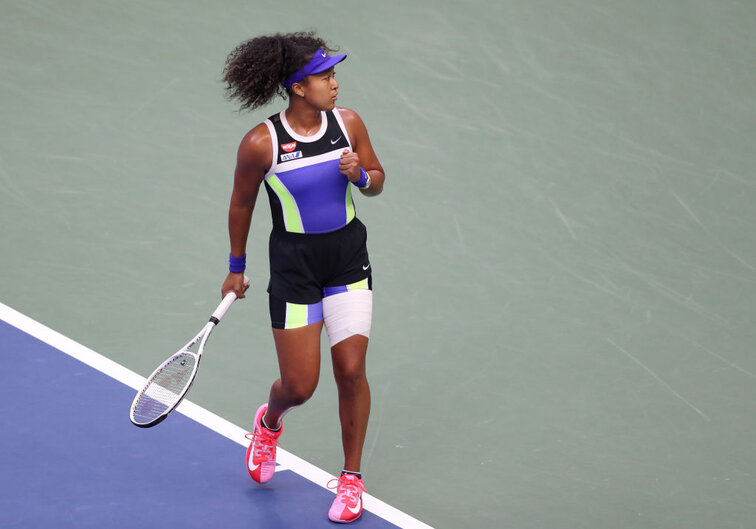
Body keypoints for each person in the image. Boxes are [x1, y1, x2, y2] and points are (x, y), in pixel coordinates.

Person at [220, 32, 385, 523]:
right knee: (299, 386)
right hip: (294, 266)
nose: (336, 84)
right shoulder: (261, 143)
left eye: (335, 75)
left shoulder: (348, 122)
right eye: (326, 76)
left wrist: (359, 176)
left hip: (347, 258)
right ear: (297, 87)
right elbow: (242, 203)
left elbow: (377, 180)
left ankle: (351, 478)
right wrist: (235, 268)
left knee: (351, 371)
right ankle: (269, 424)